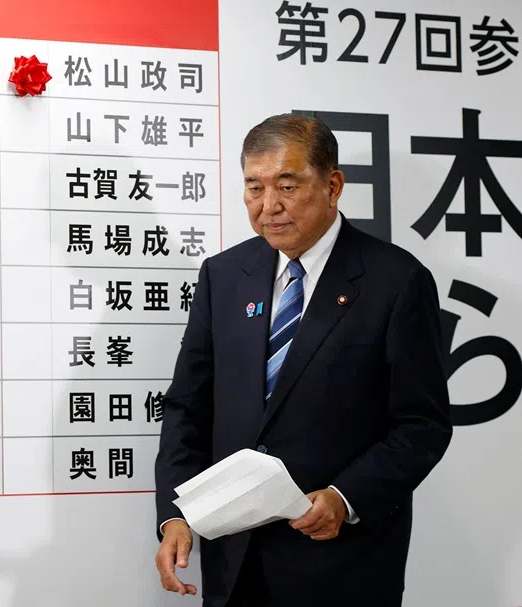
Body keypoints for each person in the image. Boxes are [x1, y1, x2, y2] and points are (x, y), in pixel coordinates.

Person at [153, 113, 453, 607]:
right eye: (254, 187)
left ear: (333, 185)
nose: (268, 206)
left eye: (287, 186)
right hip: (234, 560)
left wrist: (344, 497)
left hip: (341, 563)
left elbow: (422, 425)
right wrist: (176, 515)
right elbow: (188, 407)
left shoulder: (395, 281)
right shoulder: (224, 276)